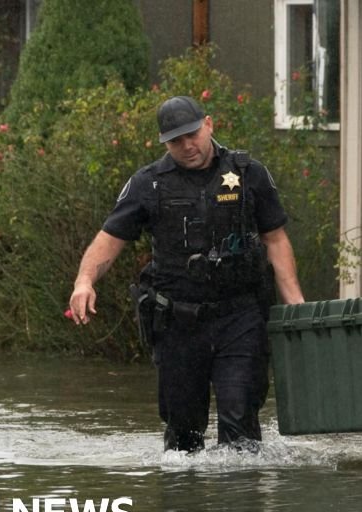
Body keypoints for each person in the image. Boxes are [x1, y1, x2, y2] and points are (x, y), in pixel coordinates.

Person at [68, 95, 305, 453]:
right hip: (178, 323)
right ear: (163, 142)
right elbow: (110, 239)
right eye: (176, 141)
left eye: (192, 134)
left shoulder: (248, 174)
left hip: (240, 318)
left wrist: (296, 305)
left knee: (240, 426)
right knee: (183, 438)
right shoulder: (149, 184)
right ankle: (184, 490)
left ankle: (241, 488)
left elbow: (275, 239)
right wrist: (84, 281)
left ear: (208, 124)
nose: (187, 146)